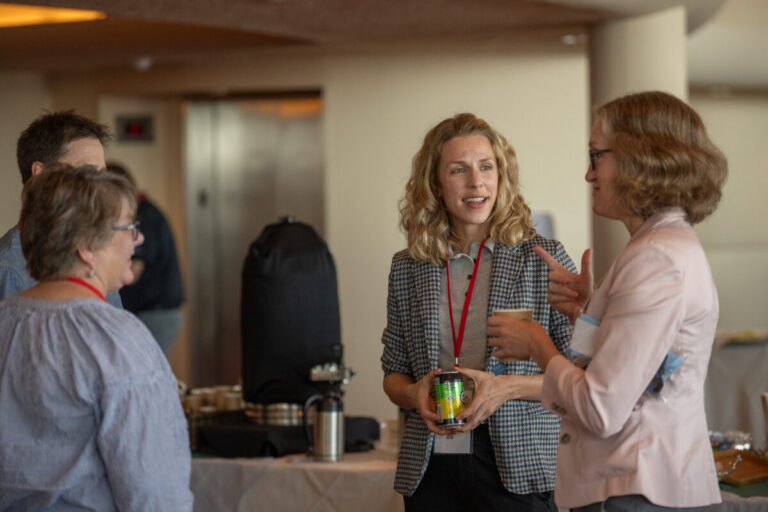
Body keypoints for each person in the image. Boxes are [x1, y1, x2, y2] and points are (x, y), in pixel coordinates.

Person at [492, 91, 728, 511]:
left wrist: (536, 345)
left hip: (638, 491)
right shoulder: (658, 246)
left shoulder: (656, 258)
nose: (588, 174)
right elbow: (645, 363)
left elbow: (600, 408)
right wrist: (591, 311)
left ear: (642, 158)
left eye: (596, 155)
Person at [380, 113, 576, 511]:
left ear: (501, 176)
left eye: (486, 167)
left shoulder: (543, 259)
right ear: (436, 183)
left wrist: (504, 389)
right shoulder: (408, 266)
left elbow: (580, 376)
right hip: (431, 465)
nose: (476, 182)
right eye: (459, 170)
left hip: (517, 465)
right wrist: (413, 394)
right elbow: (393, 373)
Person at [0, 165, 193, 510]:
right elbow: (155, 494)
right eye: (129, 228)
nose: (139, 239)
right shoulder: (117, 341)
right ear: (87, 246)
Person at [0, 110, 123, 308]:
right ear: (40, 174)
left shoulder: (95, 251)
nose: (100, 186)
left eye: (102, 175)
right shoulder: (10, 269)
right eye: (88, 172)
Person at [108, 162, 185, 355]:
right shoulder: (148, 212)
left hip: (155, 314)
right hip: (155, 311)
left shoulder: (146, 218)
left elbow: (134, 271)